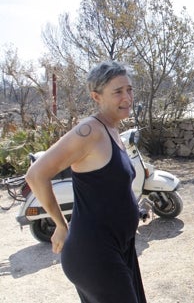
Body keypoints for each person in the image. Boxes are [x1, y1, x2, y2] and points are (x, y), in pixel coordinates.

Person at [25, 61, 147, 303]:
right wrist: (61, 225)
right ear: (96, 96)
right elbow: (36, 174)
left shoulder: (112, 130)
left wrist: (135, 207)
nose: (127, 97)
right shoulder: (89, 131)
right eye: (118, 91)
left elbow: (108, 186)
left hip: (119, 247)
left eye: (129, 89)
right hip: (94, 254)